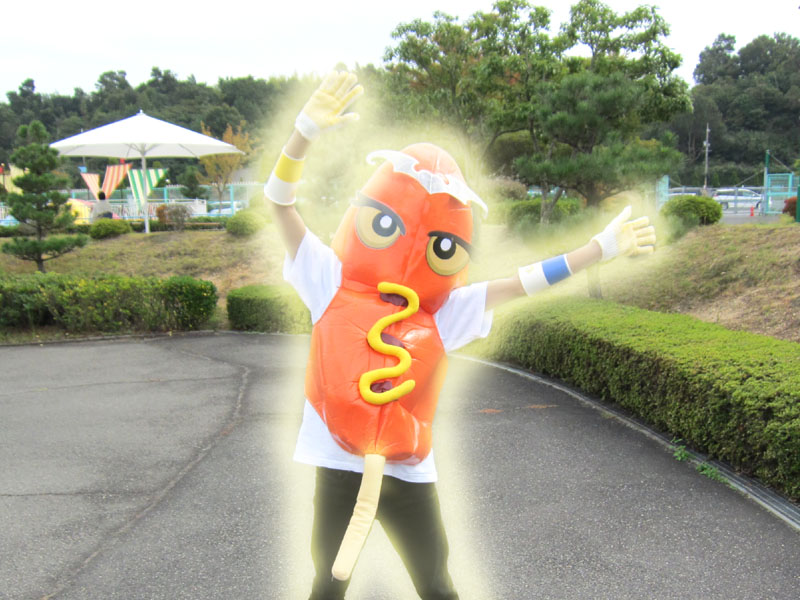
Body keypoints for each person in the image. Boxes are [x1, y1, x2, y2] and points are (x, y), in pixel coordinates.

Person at [264, 71, 656, 600]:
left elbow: (521, 282)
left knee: (436, 585)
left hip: (407, 470)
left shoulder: (444, 310)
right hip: (336, 461)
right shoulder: (330, 278)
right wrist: (304, 132)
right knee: (327, 586)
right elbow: (280, 203)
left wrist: (598, 250)